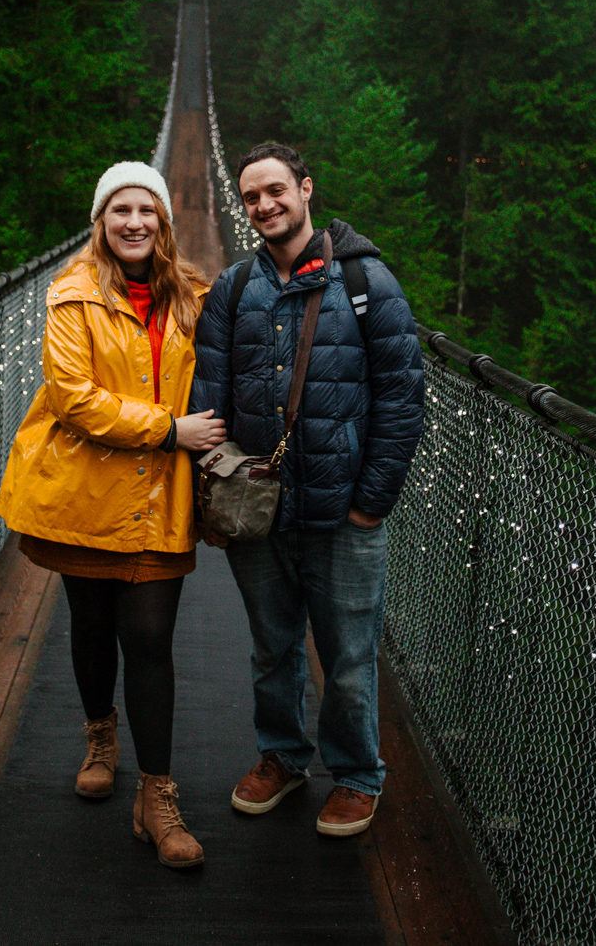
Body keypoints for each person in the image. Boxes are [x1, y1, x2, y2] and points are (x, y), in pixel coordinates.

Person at [188, 142, 425, 837]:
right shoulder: (233, 289)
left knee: (349, 655)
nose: (264, 205)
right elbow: (211, 401)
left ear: (306, 189)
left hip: (342, 513)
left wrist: (369, 502)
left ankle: (356, 776)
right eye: (251, 196)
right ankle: (283, 758)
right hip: (257, 510)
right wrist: (213, 496)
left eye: (275, 191)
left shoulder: (367, 282)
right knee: (272, 646)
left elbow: (403, 399)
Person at [0, 161, 226, 869]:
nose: (134, 222)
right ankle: (101, 734)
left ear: (163, 222)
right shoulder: (71, 296)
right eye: (120, 210)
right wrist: (168, 430)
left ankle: (156, 797)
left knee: (151, 640)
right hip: (88, 493)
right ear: (102, 221)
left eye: (146, 211)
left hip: (159, 499)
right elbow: (73, 396)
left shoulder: (195, 294)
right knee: (93, 623)